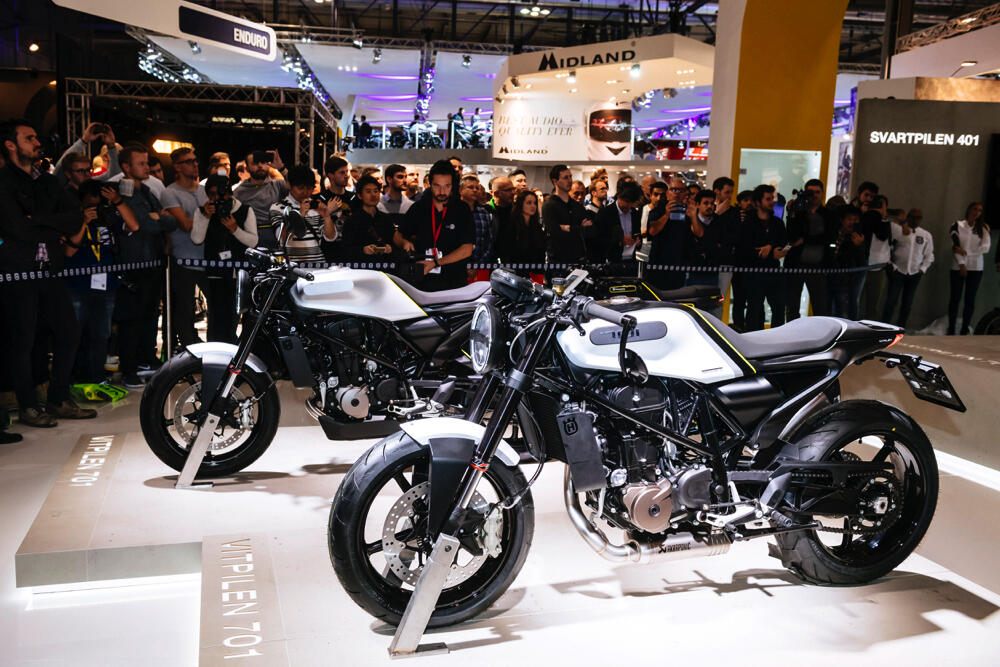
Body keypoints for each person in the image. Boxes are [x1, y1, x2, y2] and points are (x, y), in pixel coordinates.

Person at [0, 119, 93, 424]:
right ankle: (28, 406)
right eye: (29, 138)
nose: (37, 142)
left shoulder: (48, 182)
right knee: (23, 341)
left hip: (51, 270)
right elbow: (16, 228)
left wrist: (38, 219)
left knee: (68, 332)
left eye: (36, 137)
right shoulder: (4, 182)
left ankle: (58, 399)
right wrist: (52, 223)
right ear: (11, 145)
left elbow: (75, 216)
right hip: (19, 273)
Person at [114, 145, 178, 388]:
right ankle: (129, 368)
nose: (147, 167)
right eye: (140, 163)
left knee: (150, 315)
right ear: (126, 167)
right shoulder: (124, 192)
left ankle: (145, 359)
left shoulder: (148, 191)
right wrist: (158, 218)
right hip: (133, 263)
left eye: (146, 163)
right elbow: (145, 225)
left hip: (153, 260)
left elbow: (171, 222)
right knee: (132, 318)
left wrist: (159, 218)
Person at [65, 179, 139, 383]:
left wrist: (117, 202)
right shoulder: (73, 218)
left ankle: (97, 377)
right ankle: (74, 378)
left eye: (98, 204)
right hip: (78, 285)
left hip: (107, 285)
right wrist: (83, 222)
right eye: (91, 204)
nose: (95, 209)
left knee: (101, 335)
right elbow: (69, 251)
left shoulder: (108, 217)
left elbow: (134, 225)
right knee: (75, 335)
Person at [191, 175, 258, 343]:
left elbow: (253, 241)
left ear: (229, 193)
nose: (216, 199)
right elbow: (197, 239)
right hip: (215, 274)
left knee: (233, 318)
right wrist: (205, 217)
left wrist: (235, 229)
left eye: (220, 194)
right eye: (212, 194)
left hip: (237, 273)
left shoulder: (245, 210)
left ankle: (233, 351)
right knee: (216, 318)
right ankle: (215, 350)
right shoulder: (203, 211)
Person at [394, 159, 474, 290]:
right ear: (430, 184)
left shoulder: (462, 209)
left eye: (447, 186)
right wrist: (404, 243)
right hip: (422, 282)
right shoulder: (419, 208)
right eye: (437, 186)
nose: (442, 191)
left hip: (454, 281)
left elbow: (467, 249)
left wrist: (435, 263)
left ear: (453, 186)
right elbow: (397, 236)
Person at [161, 147, 208, 348]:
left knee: (217, 306)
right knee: (184, 310)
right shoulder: (170, 192)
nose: (195, 164)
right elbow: (185, 225)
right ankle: (187, 349)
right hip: (182, 259)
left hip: (207, 259)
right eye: (189, 161)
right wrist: (206, 215)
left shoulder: (203, 190)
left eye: (195, 160)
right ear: (177, 167)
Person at [740, 184, 787, 331]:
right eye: (768, 199)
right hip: (753, 273)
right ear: (758, 202)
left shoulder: (778, 223)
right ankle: (754, 338)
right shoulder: (748, 222)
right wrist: (766, 250)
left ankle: (778, 338)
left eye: (772, 198)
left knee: (779, 307)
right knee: (755, 309)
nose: (772, 202)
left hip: (773, 271)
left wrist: (772, 248)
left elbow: (783, 242)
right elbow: (745, 248)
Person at [784, 178, 832, 319]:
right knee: (792, 308)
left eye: (817, 192)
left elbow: (829, 237)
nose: (814, 195)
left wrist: (805, 239)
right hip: (796, 265)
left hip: (818, 267)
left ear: (822, 193)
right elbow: (791, 237)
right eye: (811, 192)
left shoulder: (828, 215)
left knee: (820, 308)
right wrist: (792, 214)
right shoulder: (799, 212)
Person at [270, 165, 337, 263]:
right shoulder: (279, 208)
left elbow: (330, 237)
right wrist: (299, 216)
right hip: (292, 265)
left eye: (309, 188)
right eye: (301, 188)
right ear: (289, 185)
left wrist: (327, 216)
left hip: (318, 264)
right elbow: (281, 238)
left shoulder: (317, 206)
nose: (305, 192)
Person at [882, 208, 933, 328]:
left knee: (907, 304)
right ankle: (883, 329)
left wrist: (922, 269)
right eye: (912, 217)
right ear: (908, 217)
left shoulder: (926, 235)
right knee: (891, 302)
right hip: (897, 272)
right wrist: (892, 266)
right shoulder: (899, 230)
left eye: (918, 218)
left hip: (914, 274)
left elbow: (929, 255)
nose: (915, 220)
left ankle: (900, 329)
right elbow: (888, 248)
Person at [947, 202, 990, 335]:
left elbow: (985, 247)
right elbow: (955, 247)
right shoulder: (957, 225)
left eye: (980, 210)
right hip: (958, 266)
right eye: (975, 209)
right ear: (969, 209)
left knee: (970, 300)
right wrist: (961, 263)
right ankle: (951, 328)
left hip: (976, 267)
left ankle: (964, 329)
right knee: (955, 298)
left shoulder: (983, 228)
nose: (977, 212)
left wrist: (967, 253)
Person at [233, 150, 287, 248]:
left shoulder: (278, 185)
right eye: (255, 163)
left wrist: (281, 168)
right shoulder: (238, 192)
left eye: (263, 162)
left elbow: (299, 185)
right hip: (251, 240)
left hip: (278, 237)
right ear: (247, 168)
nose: (260, 166)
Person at [646, 177, 690, 290]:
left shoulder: (689, 212)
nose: (677, 193)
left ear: (685, 193)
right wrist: (666, 215)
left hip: (680, 264)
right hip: (659, 264)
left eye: (681, 190)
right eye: (673, 189)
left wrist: (693, 216)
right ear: (667, 193)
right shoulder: (658, 210)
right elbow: (652, 231)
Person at [542, 164, 589, 265]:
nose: (570, 180)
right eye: (565, 178)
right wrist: (578, 228)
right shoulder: (549, 205)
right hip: (558, 261)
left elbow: (588, 230)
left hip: (579, 259)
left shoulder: (577, 206)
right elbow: (555, 233)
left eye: (570, 177)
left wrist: (568, 228)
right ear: (555, 181)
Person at [342, 175, 396, 261]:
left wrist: (390, 248)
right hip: (362, 265)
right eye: (368, 191)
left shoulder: (386, 219)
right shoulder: (352, 221)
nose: (373, 195)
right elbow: (346, 250)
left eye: (376, 191)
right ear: (360, 195)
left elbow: (395, 243)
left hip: (385, 264)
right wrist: (362, 250)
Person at [829, 206, 867, 320]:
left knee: (844, 311)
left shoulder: (860, 237)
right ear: (842, 220)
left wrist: (858, 246)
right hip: (830, 277)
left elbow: (862, 262)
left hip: (848, 280)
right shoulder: (834, 233)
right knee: (829, 311)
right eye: (849, 219)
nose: (852, 223)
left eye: (855, 220)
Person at [53, 122, 120, 187]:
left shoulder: (91, 183)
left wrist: (111, 146)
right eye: (81, 171)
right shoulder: (61, 189)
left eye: (88, 170)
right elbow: (60, 167)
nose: (87, 174)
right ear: (68, 174)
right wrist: (84, 140)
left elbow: (114, 173)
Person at [859, 195, 892, 320]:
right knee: (856, 302)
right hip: (861, 266)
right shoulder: (864, 219)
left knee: (872, 306)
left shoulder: (886, 223)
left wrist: (884, 218)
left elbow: (883, 235)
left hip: (878, 269)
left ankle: (868, 329)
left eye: (881, 206)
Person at [496, 189, 546, 270]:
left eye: (535, 203)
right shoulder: (510, 224)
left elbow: (541, 251)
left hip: (535, 270)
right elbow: (505, 251)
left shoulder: (536, 226)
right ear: (521, 204)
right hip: (515, 270)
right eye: (529, 203)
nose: (533, 206)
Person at [594, 181, 641, 263]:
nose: (628, 205)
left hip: (631, 260)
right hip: (611, 260)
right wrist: (620, 241)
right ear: (619, 197)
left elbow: (637, 233)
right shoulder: (605, 213)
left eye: (632, 203)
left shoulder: (635, 214)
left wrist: (638, 240)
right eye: (626, 201)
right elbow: (597, 240)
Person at [685, 189, 721, 287]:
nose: (709, 206)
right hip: (692, 271)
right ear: (697, 205)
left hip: (712, 272)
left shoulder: (718, 221)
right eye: (706, 203)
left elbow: (716, 244)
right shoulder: (688, 220)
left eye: (712, 203)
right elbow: (699, 236)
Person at [461, 174, 495, 275]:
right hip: (456, 266)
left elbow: (489, 242)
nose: (475, 190)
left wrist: (478, 265)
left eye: (477, 187)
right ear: (460, 190)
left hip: (480, 267)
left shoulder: (484, 212)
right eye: (470, 187)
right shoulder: (453, 212)